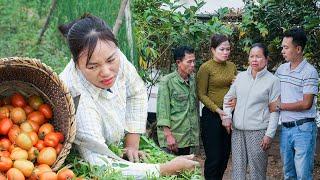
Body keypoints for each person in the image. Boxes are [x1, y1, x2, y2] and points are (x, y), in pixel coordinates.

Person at [58, 14, 199, 179]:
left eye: (111, 60)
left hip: (114, 140)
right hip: (86, 153)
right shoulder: (75, 96)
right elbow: (99, 164)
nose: (106, 72)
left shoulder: (112, 54)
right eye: (93, 66)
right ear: (76, 64)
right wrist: (163, 169)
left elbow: (136, 92)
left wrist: (132, 144)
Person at [222, 43, 280, 180]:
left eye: (258, 57)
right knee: (237, 171)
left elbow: (274, 111)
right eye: (252, 56)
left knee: (257, 173)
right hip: (237, 131)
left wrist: (269, 134)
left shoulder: (273, 81)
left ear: (266, 59)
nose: (254, 60)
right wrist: (228, 116)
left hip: (258, 132)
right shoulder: (240, 77)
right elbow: (228, 99)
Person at [273, 28, 318, 180]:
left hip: (303, 129)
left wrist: (280, 106)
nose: (282, 51)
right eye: (282, 47)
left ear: (298, 49)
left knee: (303, 175)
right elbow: (272, 92)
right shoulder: (281, 69)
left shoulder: (309, 72)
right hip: (285, 128)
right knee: (288, 174)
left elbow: (307, 103)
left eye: (286, 47)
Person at [196, 34, 237, 179]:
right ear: (213, 50)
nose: (226, 52)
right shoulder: (205, 68)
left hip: (229, 114)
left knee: (225, 157)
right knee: (214, 158)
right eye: (222, 49)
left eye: (228, 49)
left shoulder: (232, 66)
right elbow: (201, 94)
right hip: (212, 116)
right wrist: (218, 110)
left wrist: (234, 102)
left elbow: (236, 89)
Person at [156, 46, 199, 156]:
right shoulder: (167, 81)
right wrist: (168, 136)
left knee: (185, 171)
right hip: (173, 138)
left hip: (189, 136)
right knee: (171, 171)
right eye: (189, 62)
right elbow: (163, 111)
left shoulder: (193, 80)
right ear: (178, 62)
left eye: (194, 61)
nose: (193, 65)